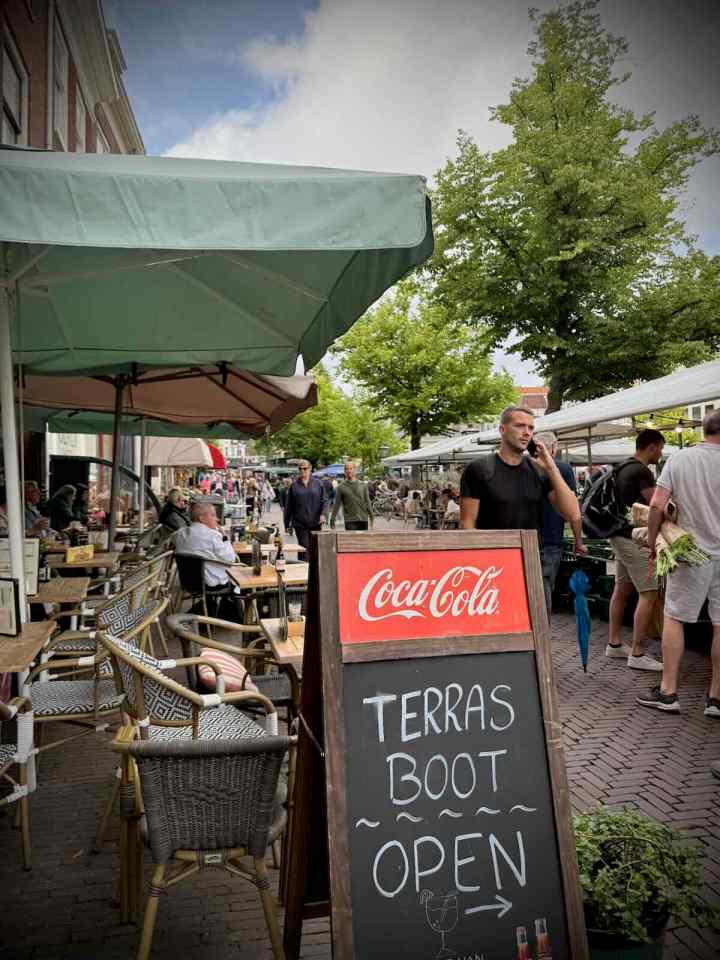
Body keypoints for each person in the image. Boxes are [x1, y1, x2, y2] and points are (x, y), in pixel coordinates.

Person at [637, 410, 720, 715]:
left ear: (704, 430)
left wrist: (653, 541)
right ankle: (716, 698)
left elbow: (657, 504)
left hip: (690, 551)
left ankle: (669, 691)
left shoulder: (682, 459)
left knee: (675, 618)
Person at [459, 406, 580, 547]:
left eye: (530, 428)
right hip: (493, 557)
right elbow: (467, 523)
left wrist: (551, 468)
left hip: (530, 557)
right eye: (520, 426)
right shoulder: (479, 469)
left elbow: (573, 514)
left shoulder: (538, 469)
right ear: (502, 430)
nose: (527, 433)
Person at [605, 429, 666, 671]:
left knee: (622, 589)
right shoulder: (641, 471)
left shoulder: (622, 466)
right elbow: (656, 506)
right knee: (649, 593)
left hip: (618, 534)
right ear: (651, 447)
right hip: (635, 537)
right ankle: (638, 653)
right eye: (660, 448)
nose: (660, 453)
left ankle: (615, 643)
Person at [534, 431, 587, 613]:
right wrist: (578, 541)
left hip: (525, 538)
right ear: (554, 448)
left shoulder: (522, 466)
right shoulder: (562, 469)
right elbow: (574, 511)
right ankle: (542, 634)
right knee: (544, 588)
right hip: (550, 539)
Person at [174, 501, 242, 618]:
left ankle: (214, 609)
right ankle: (237, 615)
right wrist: (224, 536)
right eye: (213, 515)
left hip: (188, 582)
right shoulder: (212, 535)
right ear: (201, 518)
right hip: (211, 584)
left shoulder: (179, 534)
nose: (217, 519)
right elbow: (231, 558)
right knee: (241, 575)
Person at [283, 460, 328, 553]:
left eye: (305, 468)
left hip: (316, 523)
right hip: (300, 524)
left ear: (310, 469)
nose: (302, 470)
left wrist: (323, 514)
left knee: (315, 550)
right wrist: (286, 523)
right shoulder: (294, 486)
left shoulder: (318, 484)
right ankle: (303, 567)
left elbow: (324, 501)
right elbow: (289, 506)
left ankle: (314, 568)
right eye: (300, 468)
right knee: (304, 550)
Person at [330, 461, 373, 531]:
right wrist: (332, 519)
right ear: (344, 471)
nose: (348, 471)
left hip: (363, 519)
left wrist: (372, 517)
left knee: (363, 541)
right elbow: (337, 504)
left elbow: (368, 502)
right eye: (346, 469)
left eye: (351, 468)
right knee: (351, 541)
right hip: (350, 520)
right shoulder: (341, 487)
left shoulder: (363, 485)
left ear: (355, 470)